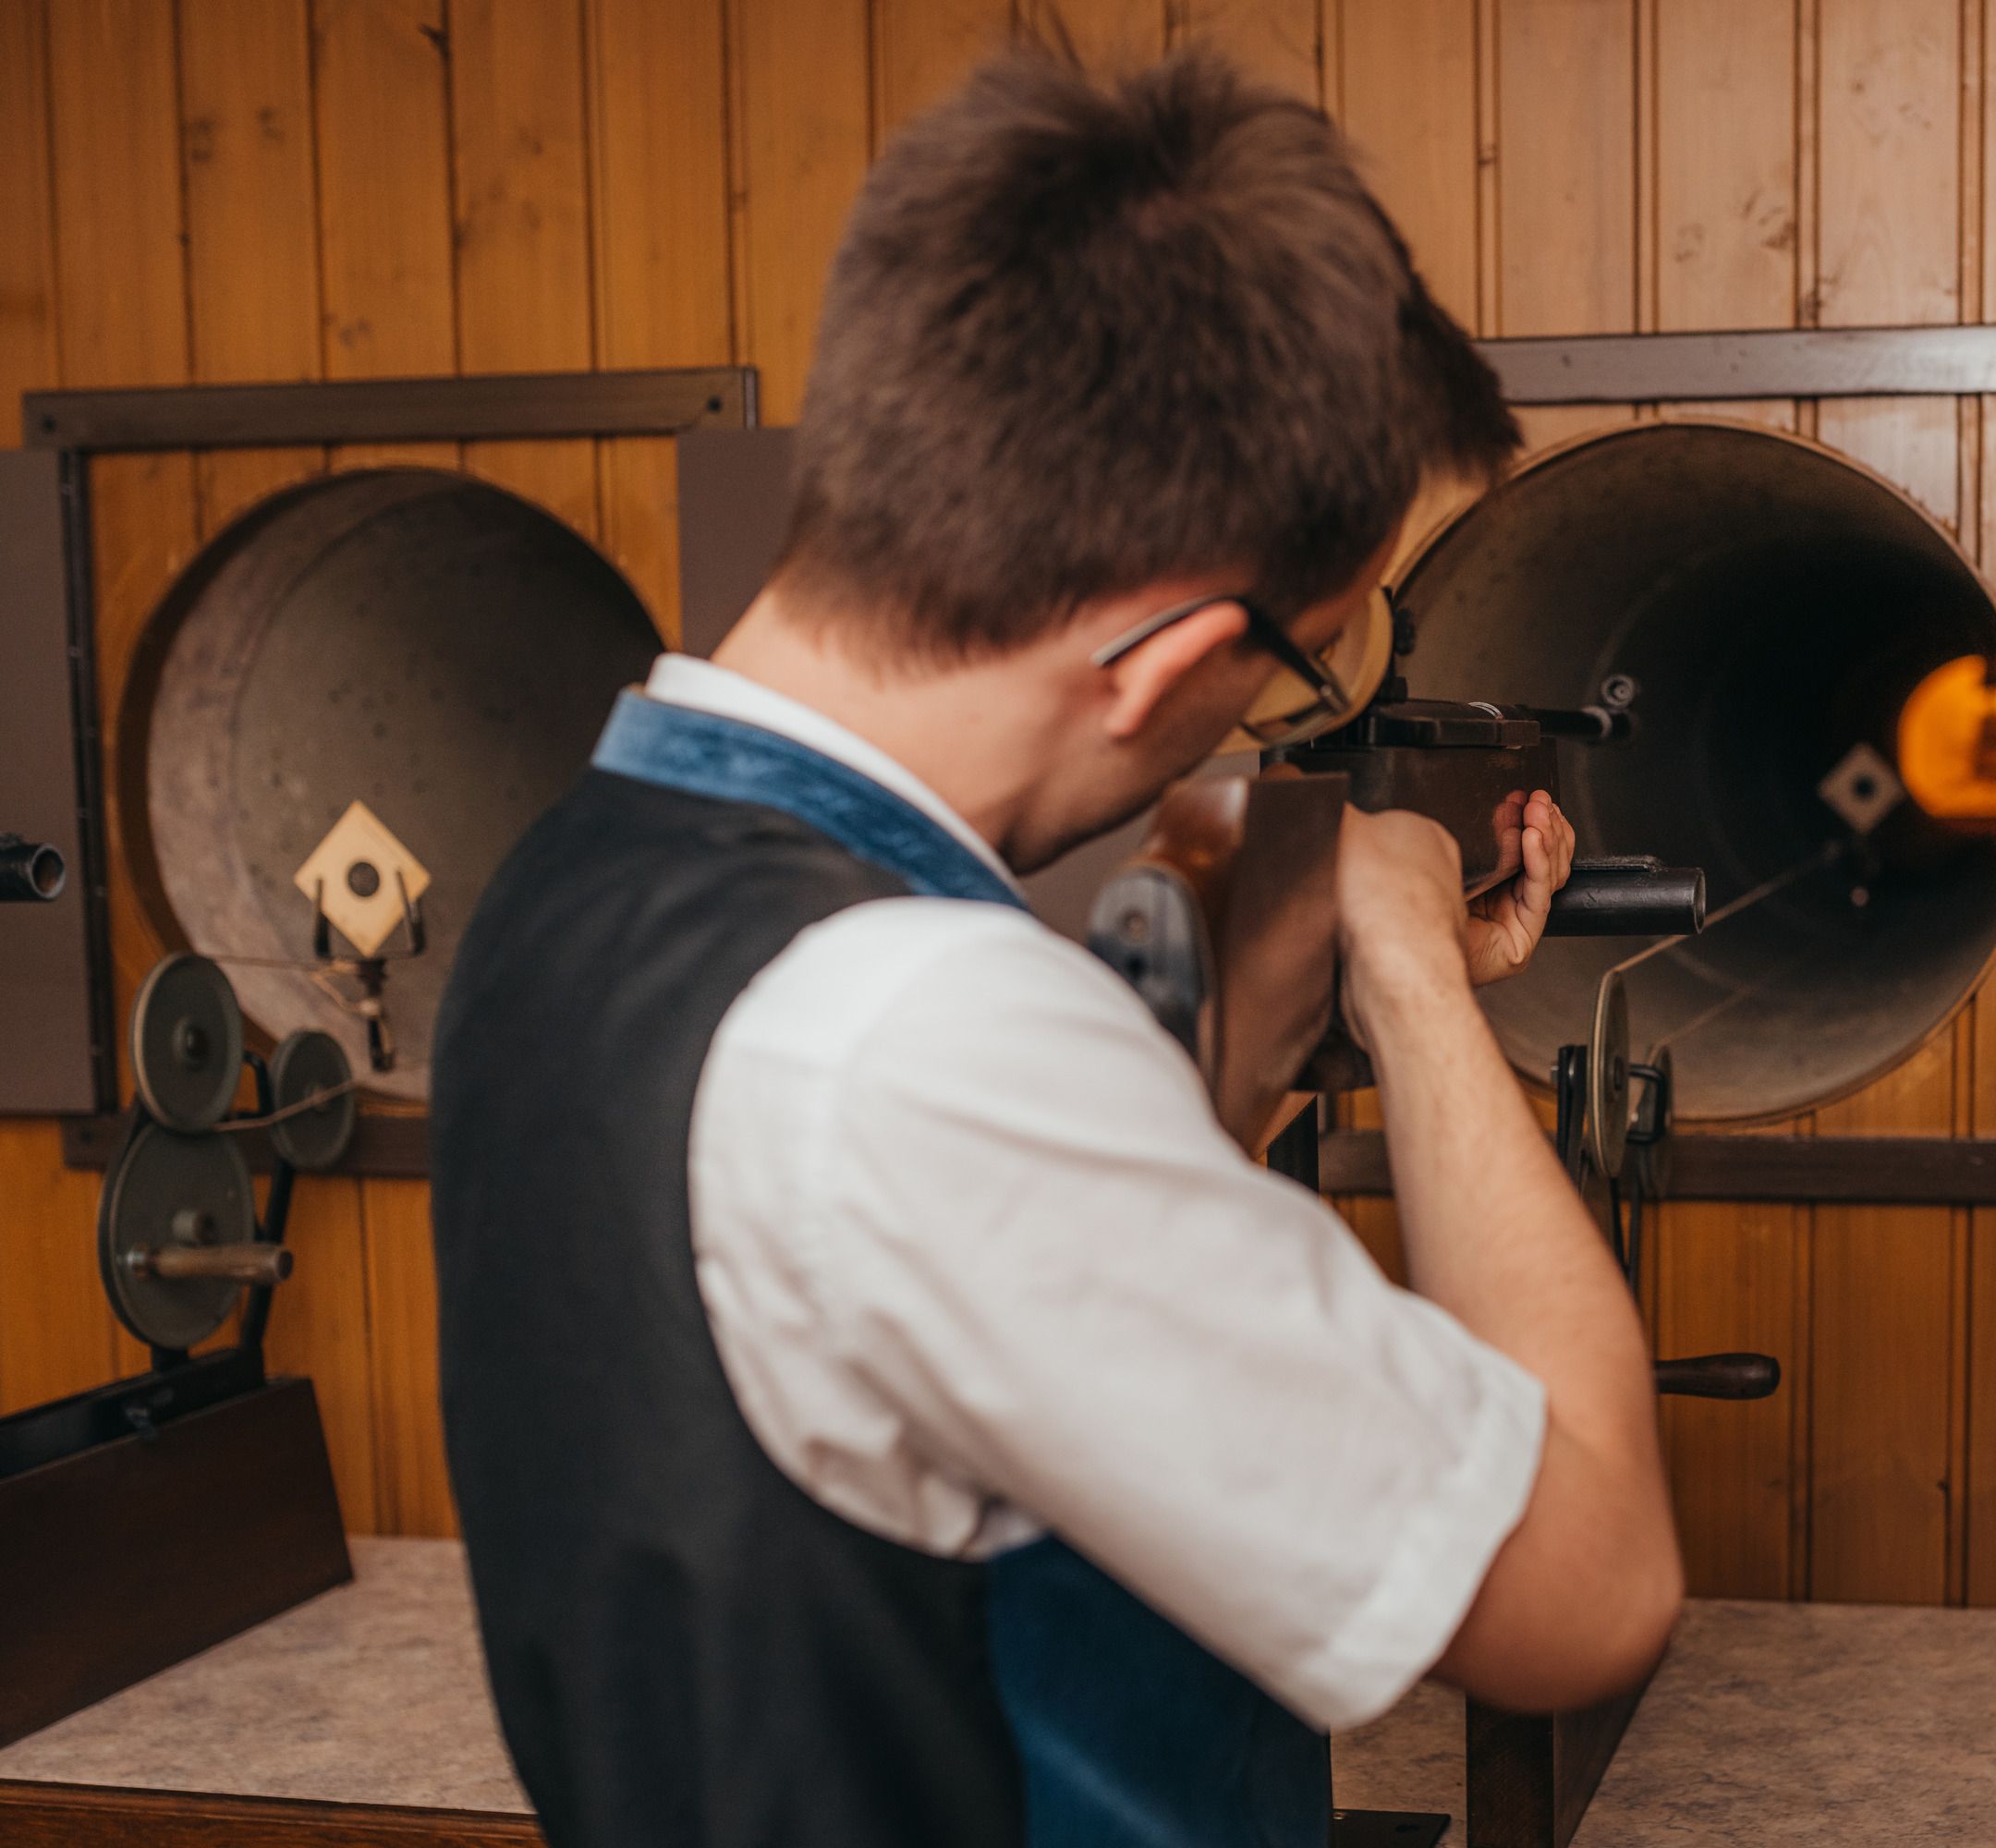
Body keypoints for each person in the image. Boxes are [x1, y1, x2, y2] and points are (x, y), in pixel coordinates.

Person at [431, 38, 1678, 1848]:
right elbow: (1590, 1583)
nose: (1276, 714)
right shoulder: (918, 1030)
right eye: (1301, 664)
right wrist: (1408, 964)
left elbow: (978, 1383)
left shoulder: (584, 874)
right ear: (1173, 654)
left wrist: (1262, 1007)